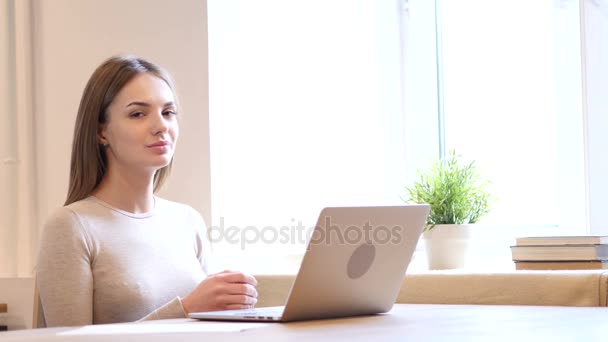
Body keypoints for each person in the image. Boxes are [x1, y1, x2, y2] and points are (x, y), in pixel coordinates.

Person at [36, 55, 257, 327]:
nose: (161, 126)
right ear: (101, 132)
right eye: (138, 114)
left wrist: (233, 305)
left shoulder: (188, 221)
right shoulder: (71, 226)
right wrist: (186, 309)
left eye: (168, 112)